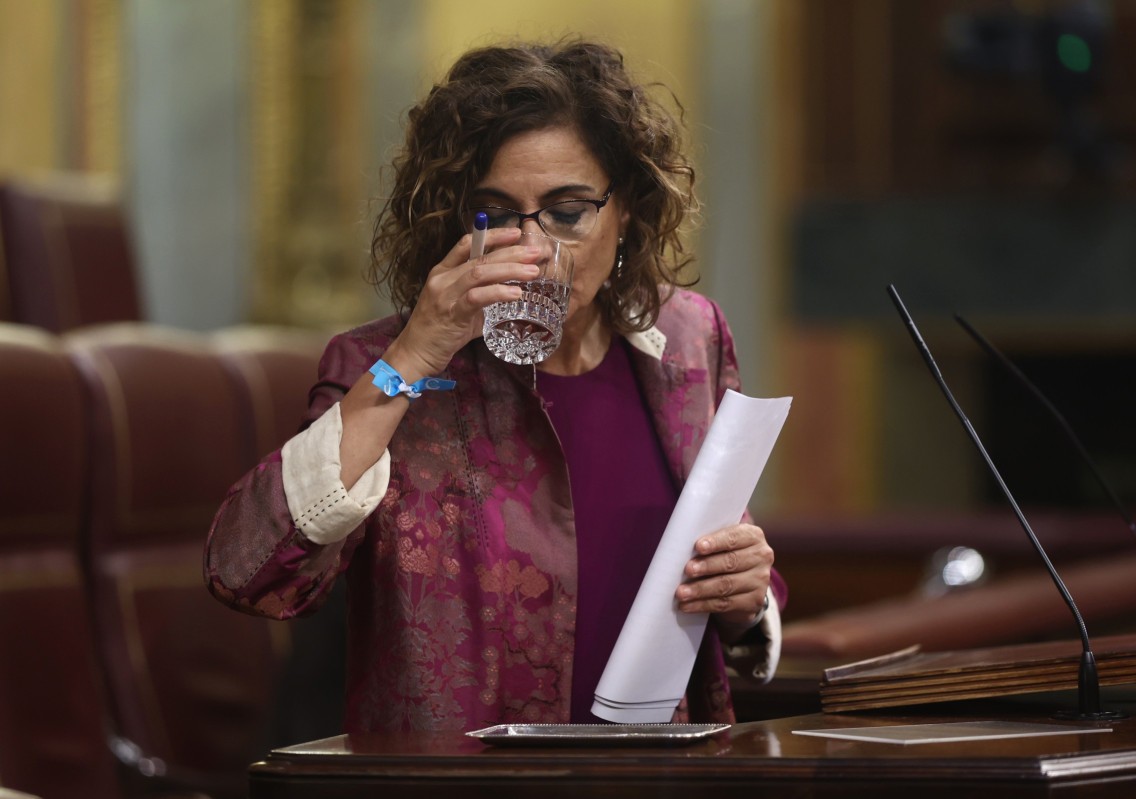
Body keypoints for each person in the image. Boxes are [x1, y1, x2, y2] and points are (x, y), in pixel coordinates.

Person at [204, 38, 786, 733]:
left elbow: (727, 563)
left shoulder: (689, 342)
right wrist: (416, 354)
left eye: (568, 212)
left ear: (625, 208)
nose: (533, 248)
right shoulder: (382, 363)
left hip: (653, 773)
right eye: (496, 215)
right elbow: (250, 569)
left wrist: (749, 599)